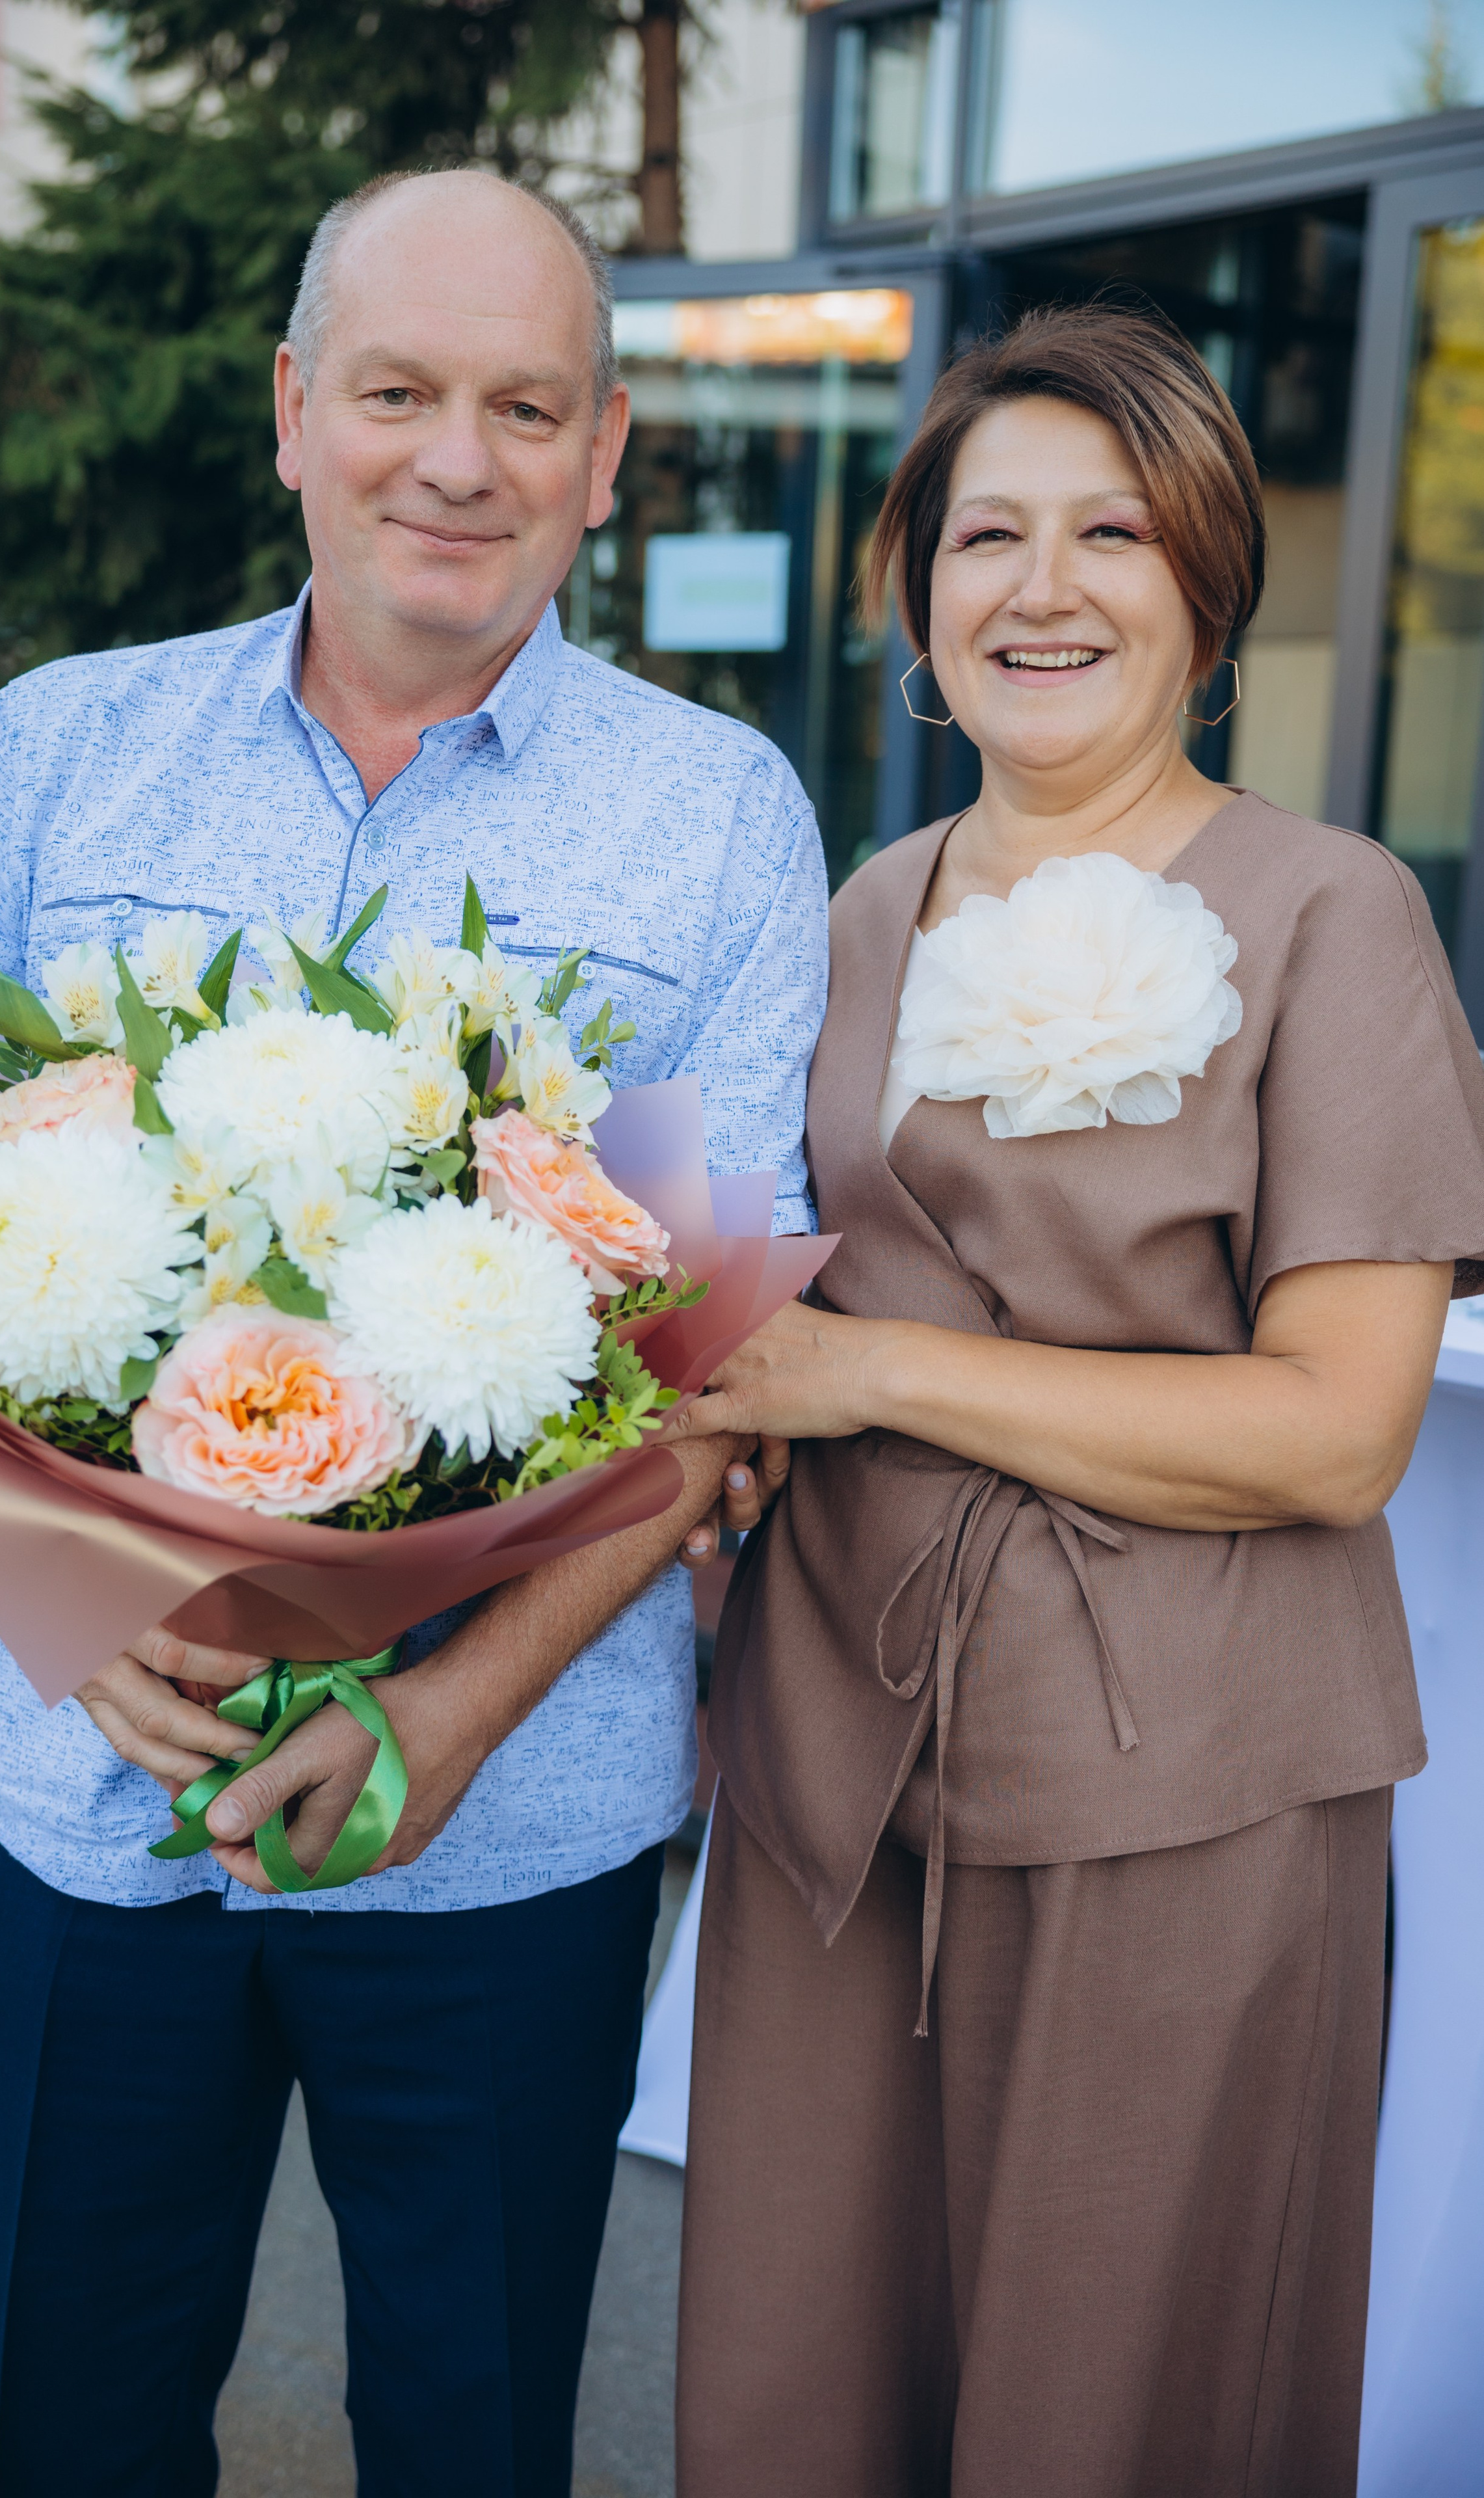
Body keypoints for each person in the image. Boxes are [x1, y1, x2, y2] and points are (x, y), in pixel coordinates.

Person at [0, 170, 827, 2495]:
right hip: (95, 1795)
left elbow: (704, 1359)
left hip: (510, 1822)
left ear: (606, 451)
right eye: (397, 393)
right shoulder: (67, 753)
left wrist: (456, 1710)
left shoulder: (710, 825)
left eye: (524, 406)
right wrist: (54, 1595)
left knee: (471, 2433)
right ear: (295, 414)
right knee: (78, 2421)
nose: (455, 460)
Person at [667, 304, 1484, 2497]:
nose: (1044, 588)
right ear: (920, 604)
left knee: (1113, 2399)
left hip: (1190, 1781)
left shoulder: (1340, 918)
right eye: (987, 537)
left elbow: (1338, 1428)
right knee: (799, 2369)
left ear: (1206, 592)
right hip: (838, 1757)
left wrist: (866, 1373)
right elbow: (742, 1263)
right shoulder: (859, 911)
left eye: (1111, 532)